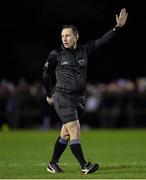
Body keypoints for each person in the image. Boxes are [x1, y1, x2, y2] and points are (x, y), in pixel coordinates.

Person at [42, 8, 128, 174]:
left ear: (76, 36)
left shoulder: (84, 50)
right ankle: (84, 165)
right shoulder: (56, 54)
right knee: (75, 129)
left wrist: (117, 27)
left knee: (66, 134)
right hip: (62, 96)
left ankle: (52, 163)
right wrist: (48, 94)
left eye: (67, 35)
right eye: (62, 36)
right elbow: (45, 74)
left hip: (79, 98)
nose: (64, 39)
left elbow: (102, 41)